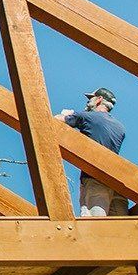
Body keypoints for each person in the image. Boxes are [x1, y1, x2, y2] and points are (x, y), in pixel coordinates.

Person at [57, 87, 125, 217]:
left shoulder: (88, 117)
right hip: (118, 184)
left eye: (91, 99)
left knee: (94, 225)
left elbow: (52, 121)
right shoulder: (119, 127)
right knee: (122, 229)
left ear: (99, 99)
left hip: (95, 179)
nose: (88, 103)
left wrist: (67, 114)